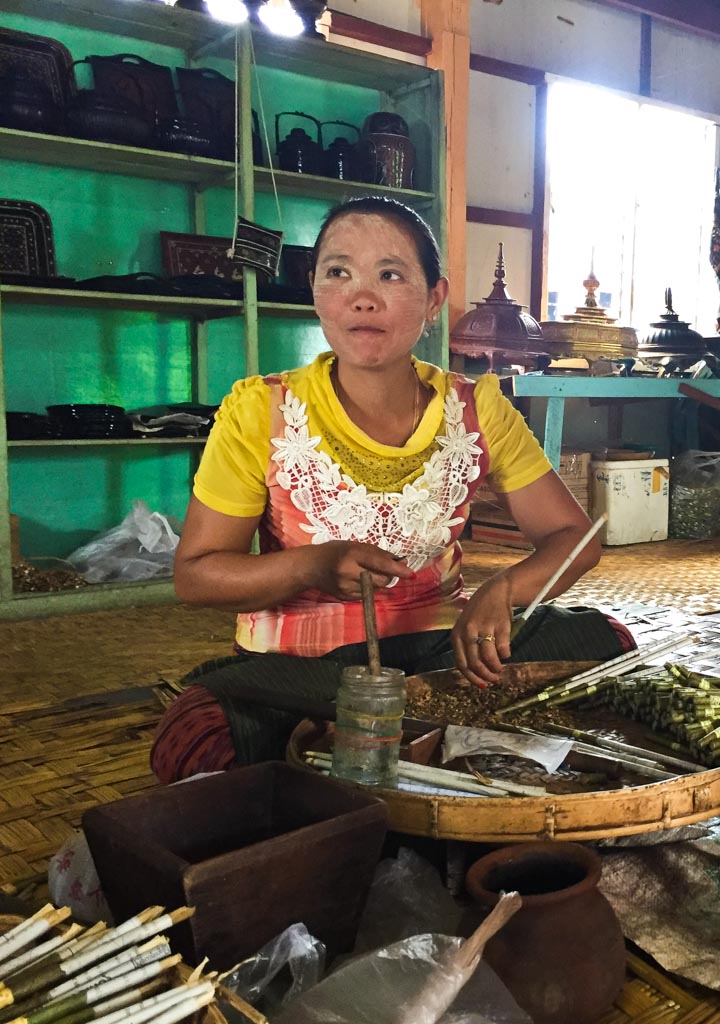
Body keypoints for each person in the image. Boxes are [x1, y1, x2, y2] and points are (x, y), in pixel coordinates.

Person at [151, 196, 632, 784]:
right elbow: (195, 574)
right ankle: (447, 745)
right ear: (316, 291)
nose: (362, 295)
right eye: (338, 272)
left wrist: (504, 590)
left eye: (391, 274)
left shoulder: (476, 407)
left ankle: (422, 741)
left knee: (602, 641)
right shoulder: (263, 409)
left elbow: (574, 538)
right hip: (304, 672)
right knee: (201, 735)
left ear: (434, 298)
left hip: (443, 655)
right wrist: (312, 566)